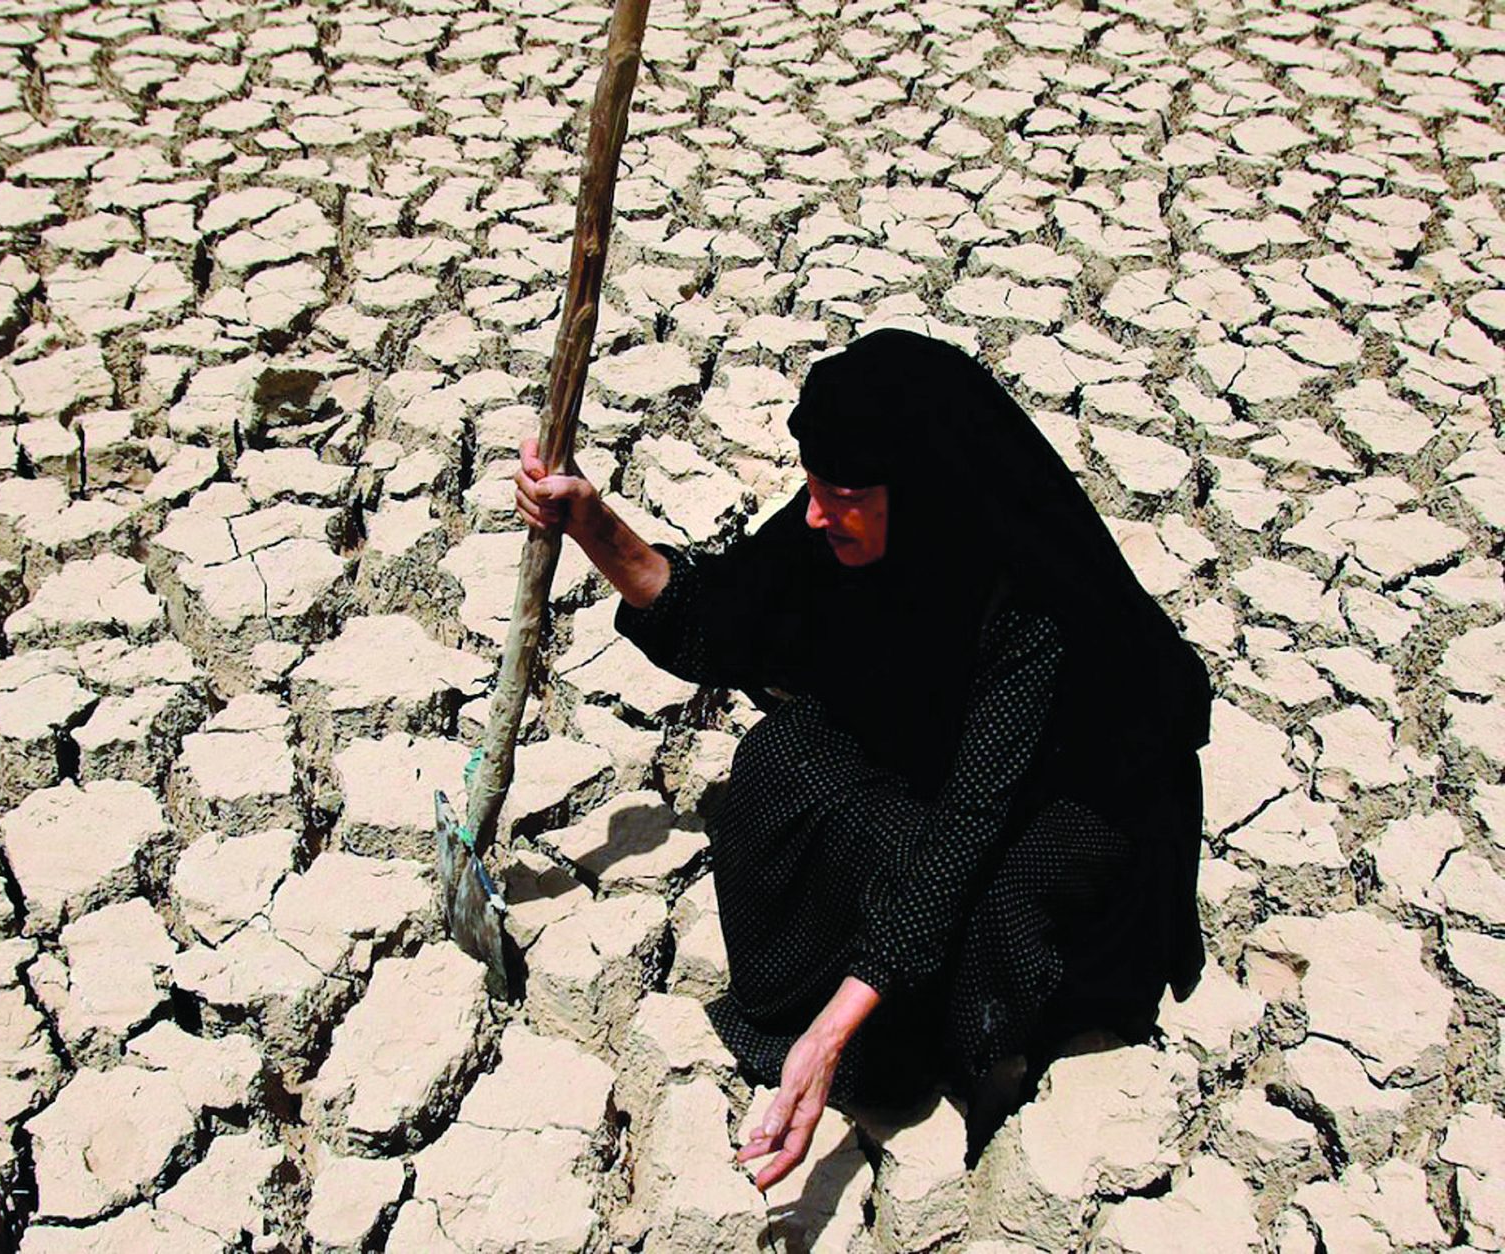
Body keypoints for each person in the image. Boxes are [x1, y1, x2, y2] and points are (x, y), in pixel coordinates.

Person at [512, 327, 1213, 1192]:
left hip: (1073, 801)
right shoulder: (840, 521)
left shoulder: (1028, 603)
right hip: (945, 763)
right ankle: (866, 1001)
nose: (813, 513)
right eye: (812, 484)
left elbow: (969, 826)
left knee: (989, 928)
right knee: (781, 765)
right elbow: (725, 618)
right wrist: (592, 525)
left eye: (841, 494)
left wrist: (831, 1032)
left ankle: (942, 1042)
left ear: (920, 493)